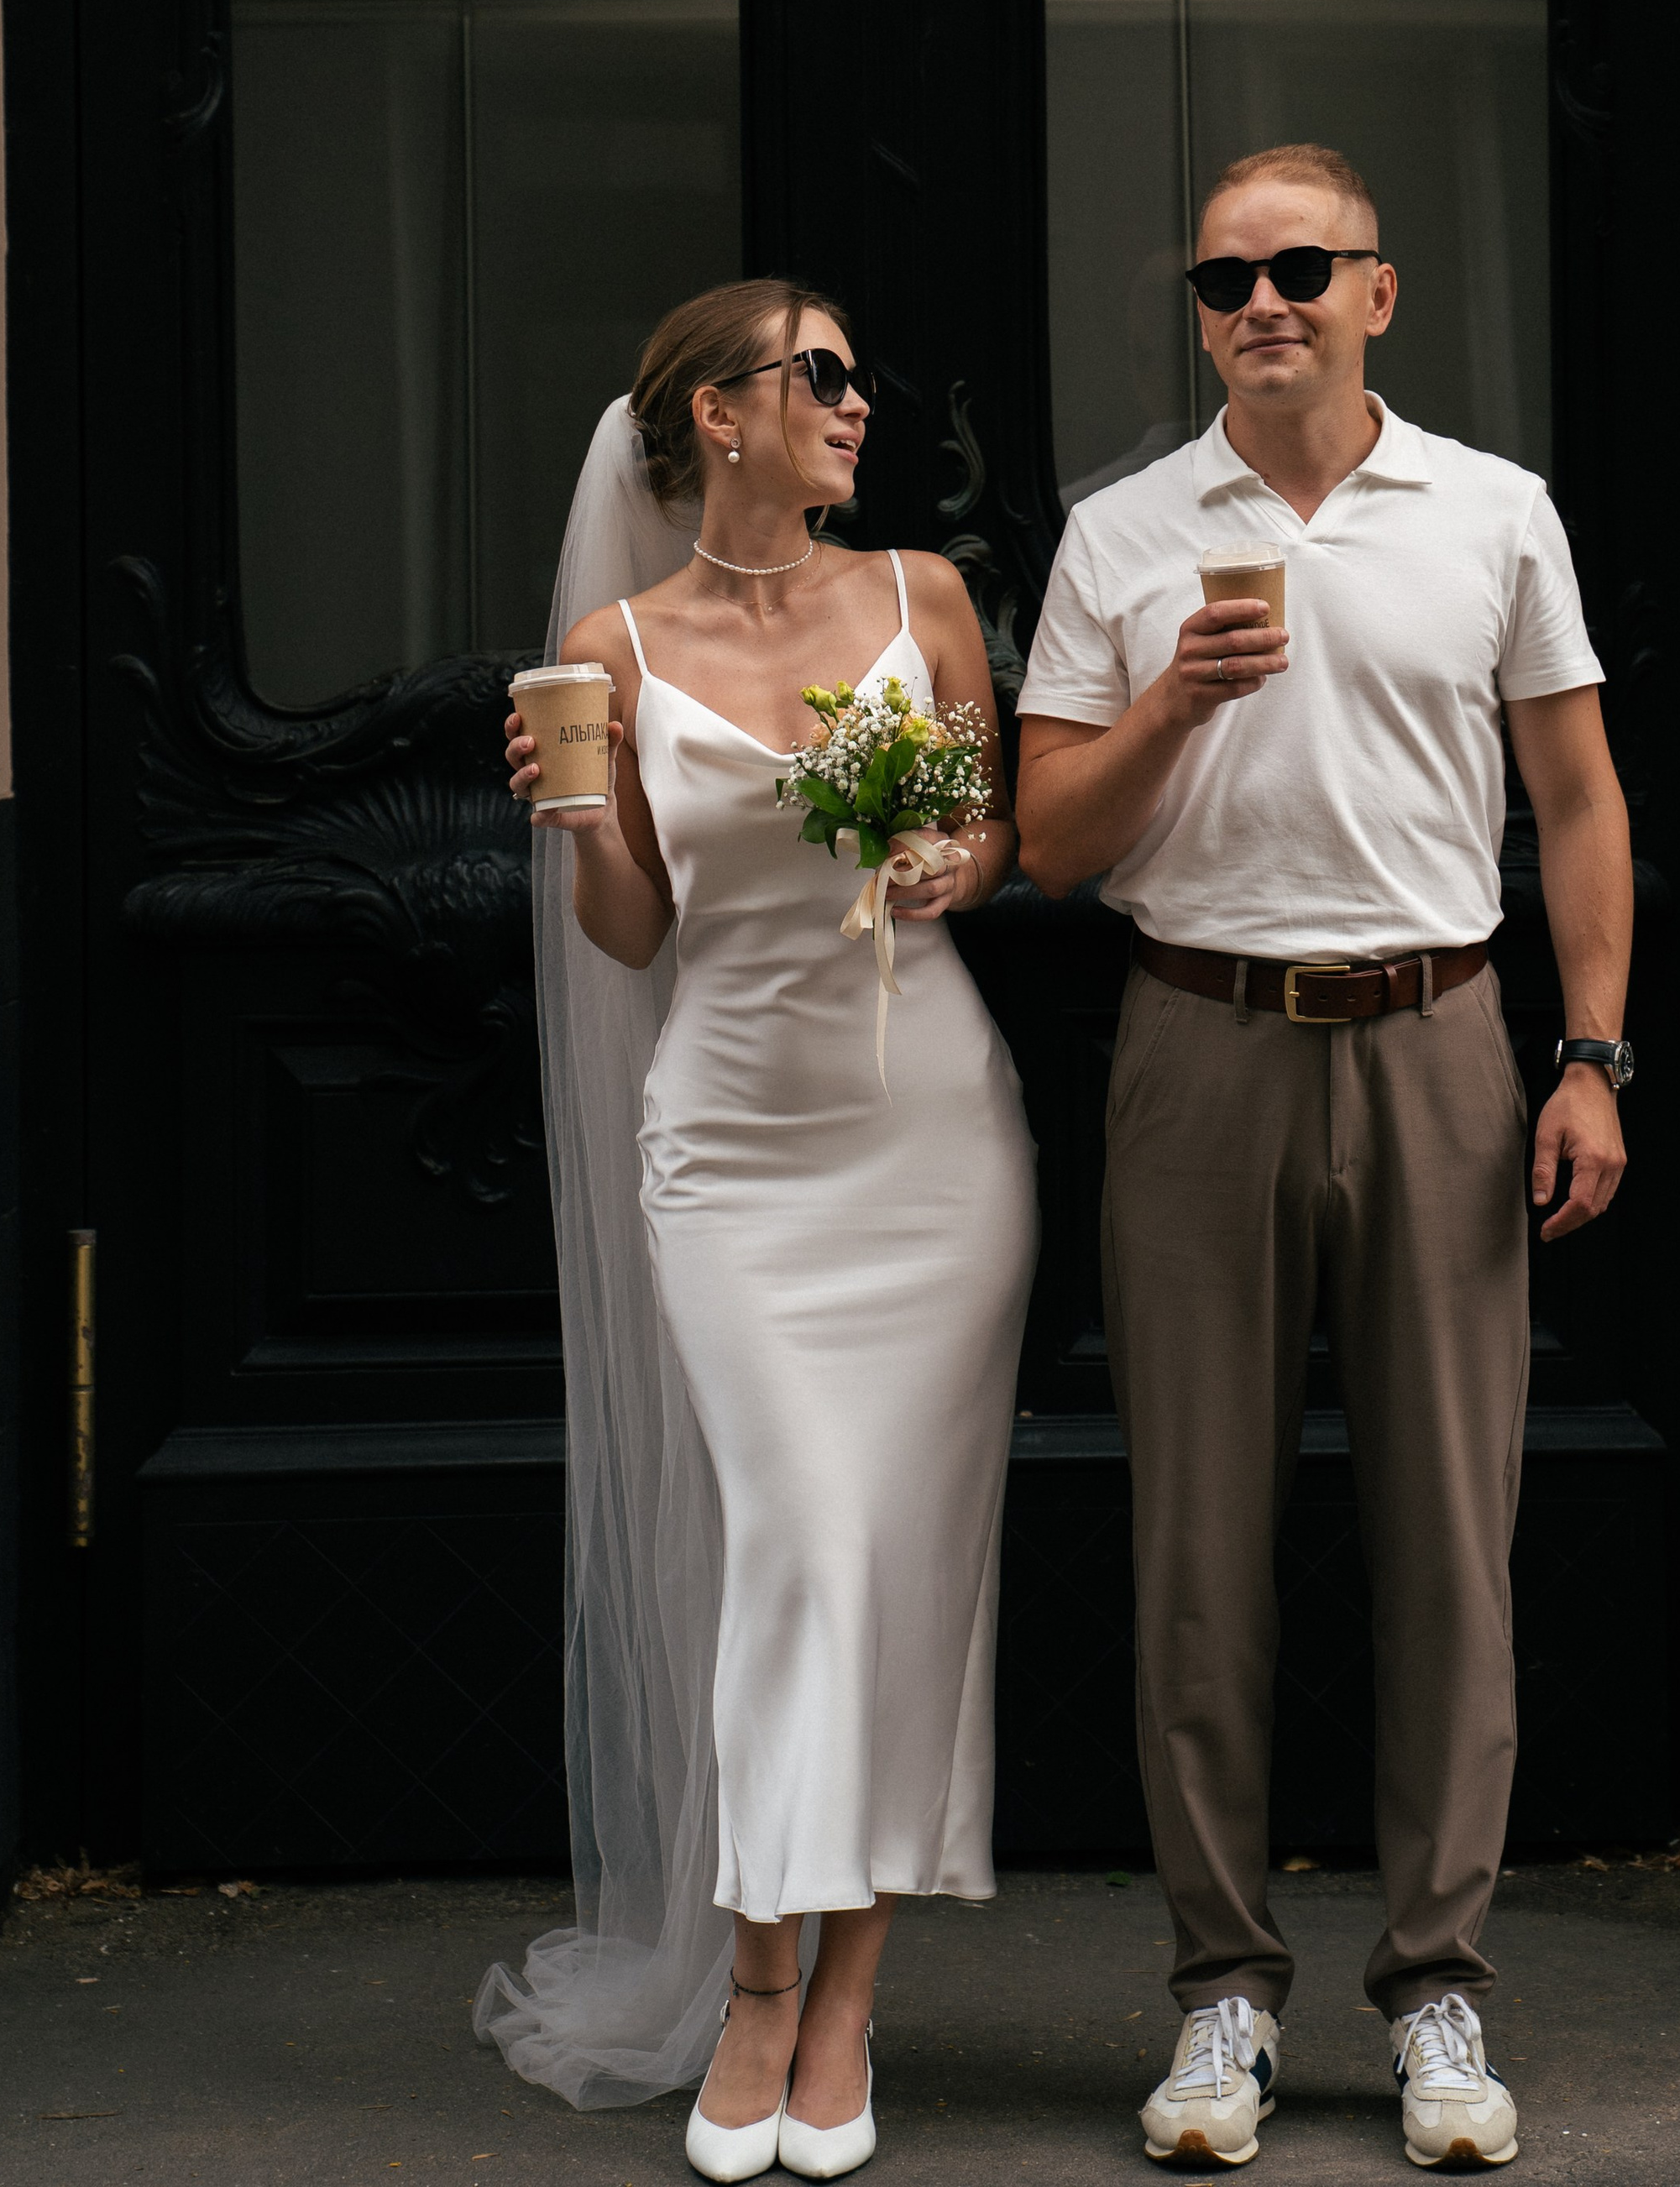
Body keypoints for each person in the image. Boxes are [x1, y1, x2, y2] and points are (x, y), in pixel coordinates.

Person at [1014, 144, 1632, 2174]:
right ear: (1193, 312)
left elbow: (1573, 794)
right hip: (1196, 1045)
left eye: (1297, 266)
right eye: (1220, 277)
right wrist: (1173, 704)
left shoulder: (1491, 511)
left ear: (1378, 291)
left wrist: (1589, 1057)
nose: (1258, 301)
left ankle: (1437, 1983)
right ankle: (1218, 1998)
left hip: (1441, 1038)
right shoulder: (1119, 536)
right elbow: (1048, 843)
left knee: (1449, 1542)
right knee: (1197, 1549)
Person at [475, 280, 1036, 2183]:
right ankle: (753, 1982)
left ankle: (849, 2001)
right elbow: (636, 937)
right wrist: (578, 827)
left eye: (858, 376)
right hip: (728, 1149)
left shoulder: (924, 603)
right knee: (792, 1537)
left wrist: (952, 849)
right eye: (821, 375)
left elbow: (979, 843)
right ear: (716, 415)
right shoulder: (608, 645)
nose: (856, 403)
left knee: (899, 1564)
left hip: (931, 1145)